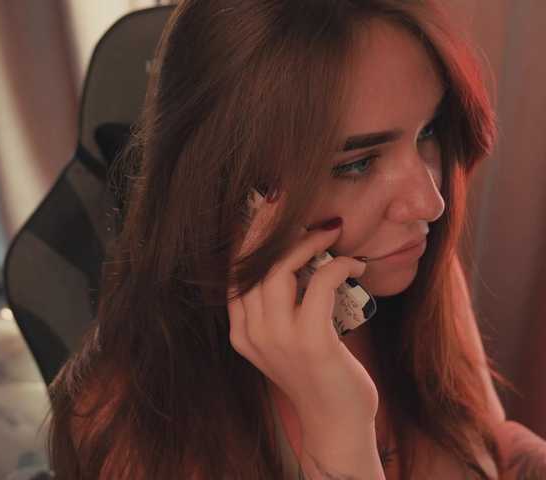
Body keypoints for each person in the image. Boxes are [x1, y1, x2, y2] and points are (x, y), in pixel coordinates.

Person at [44, 1, 545, 478]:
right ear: (233, 192)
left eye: (428, 132)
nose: (429, 204)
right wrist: (340, 434)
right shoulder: (130, 422)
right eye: (357, 164)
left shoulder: (407, 267)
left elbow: (488, 442)